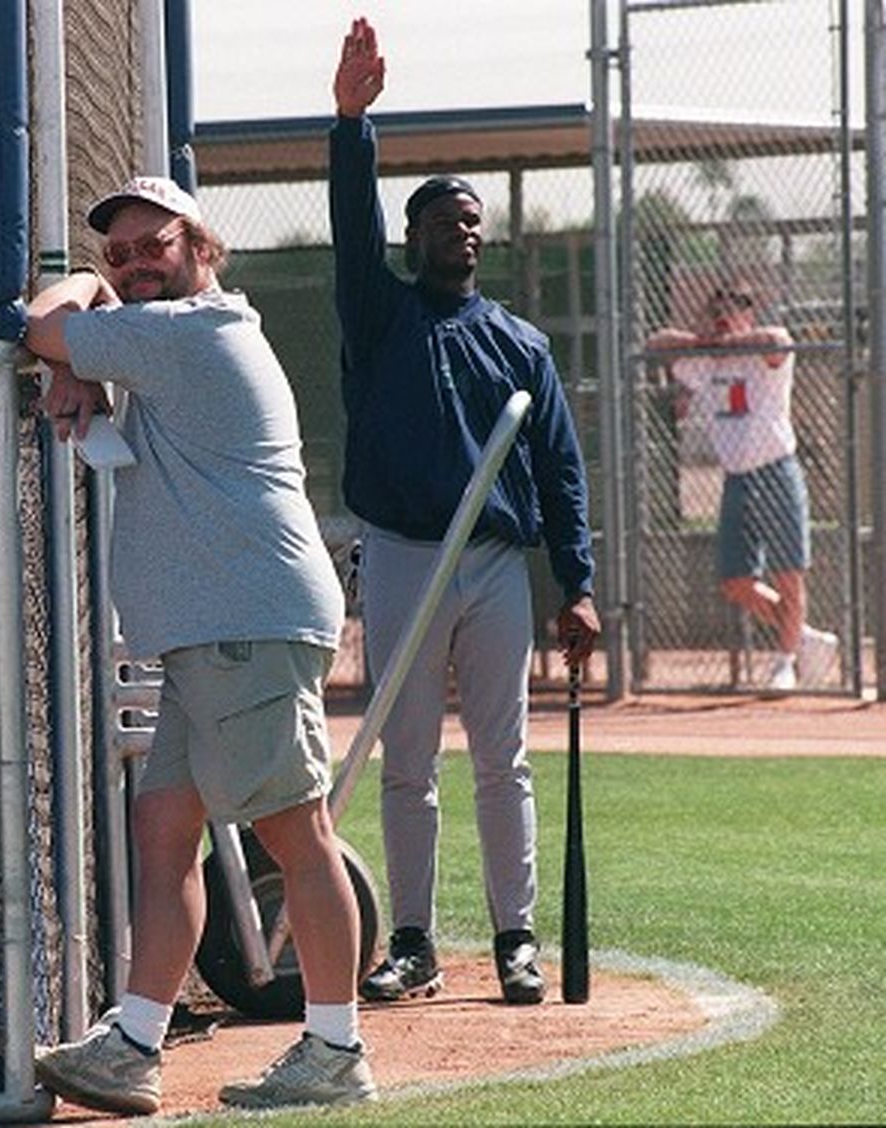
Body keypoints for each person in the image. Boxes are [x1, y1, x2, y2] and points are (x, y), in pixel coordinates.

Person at [23, 175, 376, 1114]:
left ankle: (336, 1049)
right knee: (165, 831)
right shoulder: (171, 337)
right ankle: (135, 1042)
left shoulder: (192, 335)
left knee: (299, 836)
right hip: (207, 634)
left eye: (156, 245)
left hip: (242, 626)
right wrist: (80, 360)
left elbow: (36, 322)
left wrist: (74, 323)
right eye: (121, 255)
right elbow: (73, 345)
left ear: (201, 248)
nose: (138, 264)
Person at [329, 18, 601, 1008]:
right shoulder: (381, 312)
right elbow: (352, 233)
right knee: (408, 764)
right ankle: (411, 942)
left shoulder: (521, 344)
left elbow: (561, 471)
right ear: (415, 238)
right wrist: (352, 126)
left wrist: (578, 587)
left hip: (491, 569)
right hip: (403, 556)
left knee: (503, 760)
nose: (465, 231)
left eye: (476, 221)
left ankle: (514, 941)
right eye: (446, 221)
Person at [647, 282, 839, 691]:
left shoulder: (765, 349)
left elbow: (777, 341)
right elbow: (656, 343)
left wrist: (733, 339)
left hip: (775, 469)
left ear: (749, 313)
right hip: (736, 478)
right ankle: (806, 638)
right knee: (736, 580)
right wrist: (706, 342)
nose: (723, 314)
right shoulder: (707, 360)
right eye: (716, 308)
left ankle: (785, 662)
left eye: (733, 308)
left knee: (789, 573)